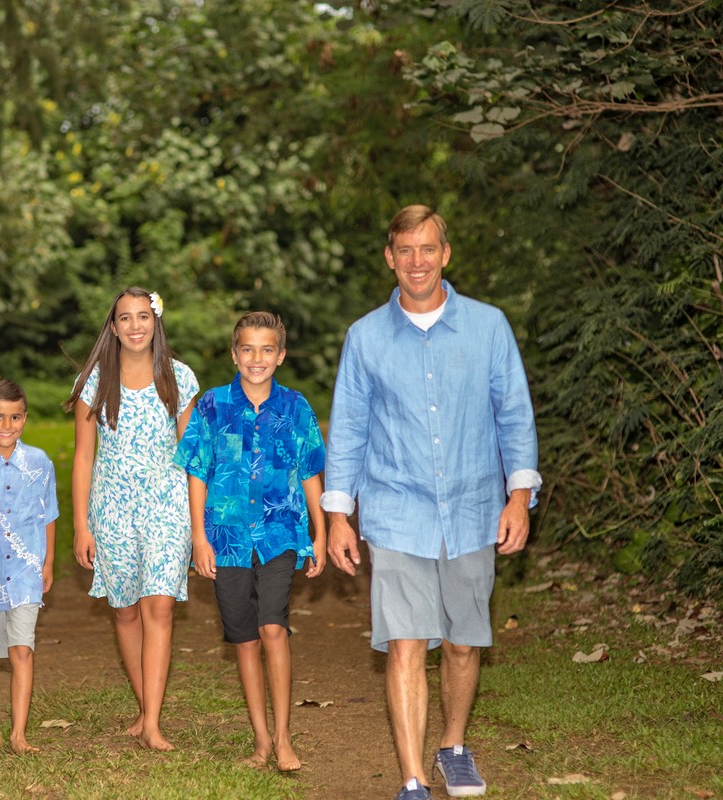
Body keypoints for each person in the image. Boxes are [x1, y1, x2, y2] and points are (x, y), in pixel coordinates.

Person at [323, 205, 541, 800]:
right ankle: (413, 779)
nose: (416, 262)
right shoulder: (365, 337)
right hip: (396, 511)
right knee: (406, 643)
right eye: (405, 251)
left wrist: (518, 497)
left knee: (464, 642)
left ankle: (452, 747)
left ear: (446, 254)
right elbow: (348, 429)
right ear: (390, 258)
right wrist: (338, 515)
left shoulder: (488, 327)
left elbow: (514, 415)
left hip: (473, 509)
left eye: (428, 249)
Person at [174, 311, 327, 772]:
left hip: (281, 533)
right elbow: (197, 471)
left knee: (273, 626)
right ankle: (260, 740)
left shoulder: (296, 407)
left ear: (280, 356)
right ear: (234, 353)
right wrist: (200, 537)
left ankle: (283, 738)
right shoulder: (212, 407)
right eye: (247, 349)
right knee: (244, 637)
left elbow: (311, 471)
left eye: (266, 349)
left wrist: (319, 533)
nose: (256, 358)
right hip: (227, 537)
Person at [64, 286, 199, 751]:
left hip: (167, 501)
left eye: (144, 316)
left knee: (158, 605)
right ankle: (145, 709)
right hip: (112, 506)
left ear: (155, 322)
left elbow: (192, 455)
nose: (136, 326)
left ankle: (154, 724)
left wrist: (200, 525)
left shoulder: (178, 378)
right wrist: (81, 524)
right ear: (114, 326)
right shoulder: (95, 381)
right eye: (126, 318)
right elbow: (84, 458)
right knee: (124, 610)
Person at [0, 376, 59, 753]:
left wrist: (48, 562)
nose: (7, 426)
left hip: (25, 574)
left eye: (15, 417)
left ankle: (19, 733)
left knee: (22, 649)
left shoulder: (39, 463)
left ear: (25, 418)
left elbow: (48, 515)